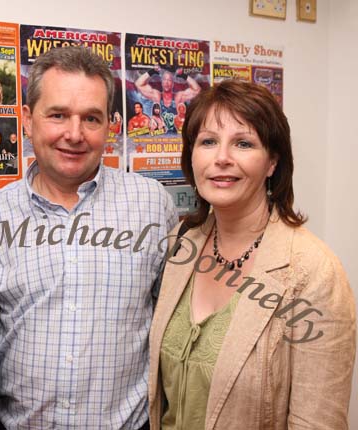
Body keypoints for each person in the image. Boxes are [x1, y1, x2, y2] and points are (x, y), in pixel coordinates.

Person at [0, 46, 177, 429]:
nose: (74, 134)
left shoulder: (152, 206)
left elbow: (172, 323)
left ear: (111, 125)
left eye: (91, 119)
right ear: (28, 119)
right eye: (58, 115)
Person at [148, 80, 356, 429]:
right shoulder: (180, 244)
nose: (222, 158)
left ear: (272, 162)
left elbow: (317, 421)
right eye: (208, 141)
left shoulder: (314, 272)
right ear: (191, 156)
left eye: (243, 143)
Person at [134, 65, 200, 133]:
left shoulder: (178, 97)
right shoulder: (157, 96)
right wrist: (152, 71)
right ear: (162, 82)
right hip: (160, 135)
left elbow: (197, 90)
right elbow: (138, 84)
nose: (166, 82)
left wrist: (183, 75)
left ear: (173, 83)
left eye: (169, 80)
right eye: (165, 80)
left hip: (175, 136)